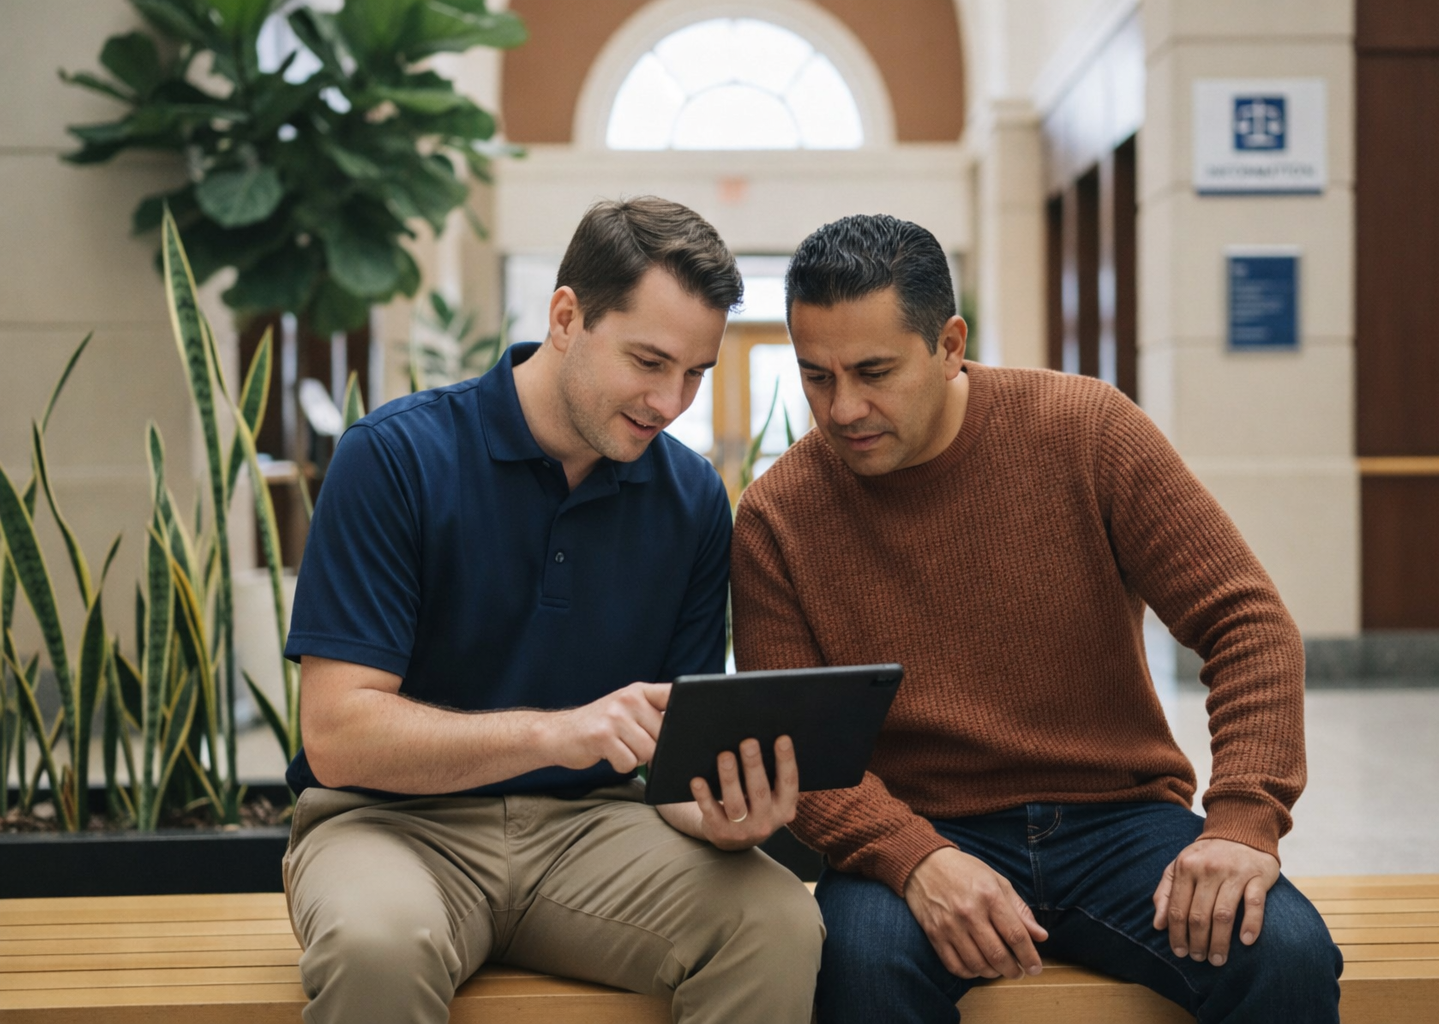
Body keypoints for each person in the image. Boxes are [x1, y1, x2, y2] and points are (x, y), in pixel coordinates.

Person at [730, 213, 1342, 1023]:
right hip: (921, 827)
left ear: (949, 345)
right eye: (816, 377)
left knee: (1287, 954)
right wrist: (914, 858)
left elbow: (1248, 626)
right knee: (860, 969)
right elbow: (796, 747)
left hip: (1120, 820)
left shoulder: (1085, 430)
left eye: (874, 371)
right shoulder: (778, 516)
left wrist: (1241, 821)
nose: (843, 408)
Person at [281, 197, 822, 1024]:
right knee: (378, 948)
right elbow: (338, 734)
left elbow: (672, 763)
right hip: (389, 826)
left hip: (593, 831)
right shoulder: (392, 459)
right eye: (648, 361)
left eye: (695, 373)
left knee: (777, 923)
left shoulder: (692, 501)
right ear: (566, 317)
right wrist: (556, 733)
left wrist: (724, 818)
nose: (670, 402)